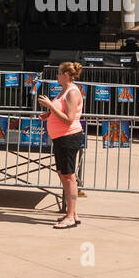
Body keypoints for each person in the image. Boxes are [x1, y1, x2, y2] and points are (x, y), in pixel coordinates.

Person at [38, 61, 85, 229]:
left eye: (58, 73)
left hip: (69, 137)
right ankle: (72, 212)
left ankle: (71, 216)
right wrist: (48, 114)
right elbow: (61, 111)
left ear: (65, 75)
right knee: (62, 173)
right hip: (59, 138)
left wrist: (50, 105)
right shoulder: (63, 90)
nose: (57, 76)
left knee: (69, 176)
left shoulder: (72, 92)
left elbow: (69, 118)